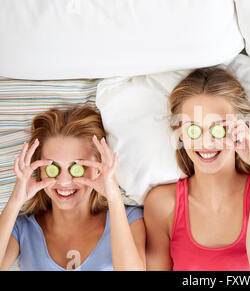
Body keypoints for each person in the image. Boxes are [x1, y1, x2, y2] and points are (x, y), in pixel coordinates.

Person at [144, 67, 250, 271]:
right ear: (179, 133)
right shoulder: (161, 204)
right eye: (194, 129)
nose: (206, 141)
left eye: (219, 128)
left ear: (241, 128)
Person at [0, 106, 146, 270]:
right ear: (39, 169)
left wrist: (114, 198)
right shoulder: (21, 229)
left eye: (77, 167)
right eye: (52, 166)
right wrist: (16, 201)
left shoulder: (129, 218)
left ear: (99, 167)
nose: (63, 181)